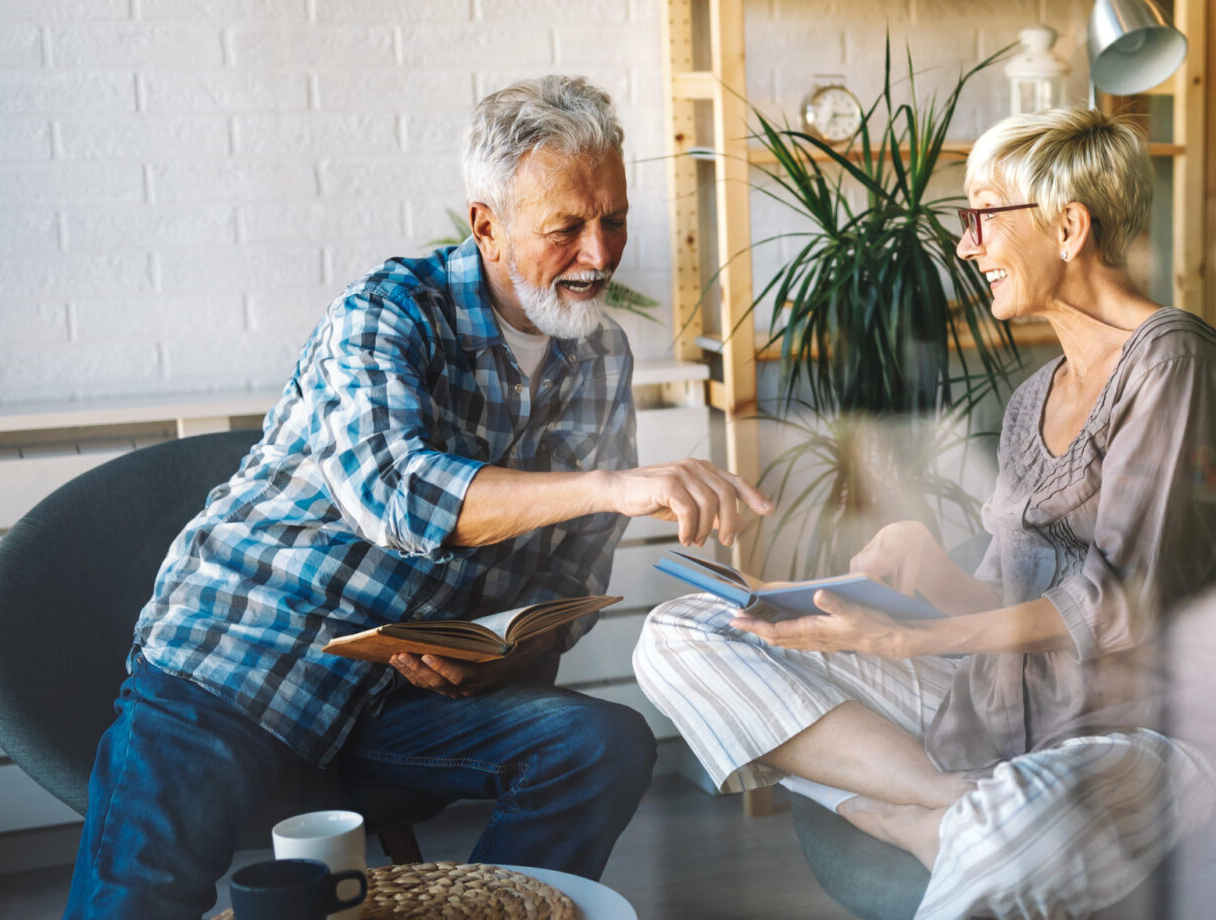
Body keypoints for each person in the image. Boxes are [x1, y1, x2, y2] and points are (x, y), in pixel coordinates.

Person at [64, 75, 772, 920]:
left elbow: (567, 591)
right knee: (135, 905)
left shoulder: (603, 359)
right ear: (487, 226)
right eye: (566, 228)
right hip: (239, 670)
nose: (599, 253)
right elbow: (398, 495)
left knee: (600, 746)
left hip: (399, 709)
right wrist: (615, 486)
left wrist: (491, 659)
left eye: (613, 219)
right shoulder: (386, 315)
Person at [634, 106, 1216, 919]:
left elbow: (1123, 599)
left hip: (1142, 731)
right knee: (687, 631)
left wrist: (914, 636)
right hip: (1006, 708)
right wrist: (932, 575)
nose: (967, 246)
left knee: (1001, 832)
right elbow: (1011, 604)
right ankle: (937, 801)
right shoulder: (1034, 395)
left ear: (1068, 226)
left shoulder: (1172, 361)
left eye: (981, 216)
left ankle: (909, 815)